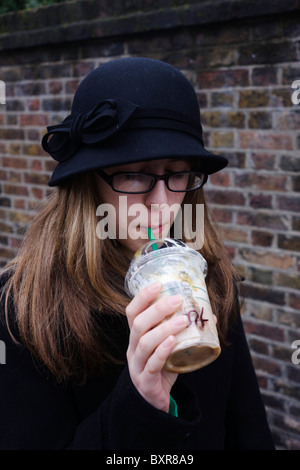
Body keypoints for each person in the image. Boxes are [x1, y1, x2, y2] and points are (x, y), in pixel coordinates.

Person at [0, 57, 274, 450]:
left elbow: (248, 433)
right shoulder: (24, 309)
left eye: (178, 174)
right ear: (86, 184)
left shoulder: (211, 281)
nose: (161, 203)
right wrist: (138, 403)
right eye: (135, 174)